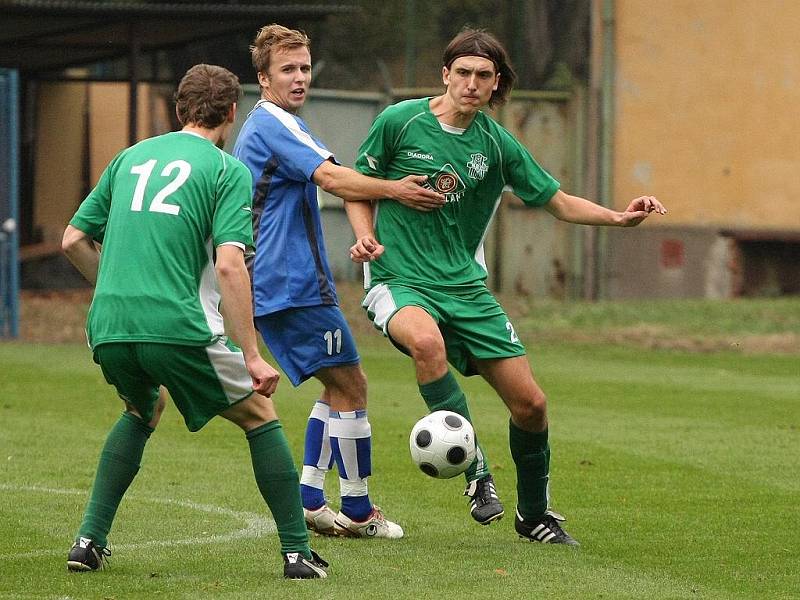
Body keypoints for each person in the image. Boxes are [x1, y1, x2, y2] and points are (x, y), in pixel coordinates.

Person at [347, 28, 666, 544]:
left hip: (467, 291)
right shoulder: (398, 121)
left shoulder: (496, 145)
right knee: (425, 342)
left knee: (532, 405)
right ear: (445, 75)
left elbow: (557, 201)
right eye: (464, 73)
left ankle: (534, 515)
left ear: (497, 85)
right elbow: (355, 185)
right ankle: (477, 475)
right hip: (398, 279)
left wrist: (617, 217)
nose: (472, 84)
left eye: (484, 76)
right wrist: (364, 238)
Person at [61, 64, 328, 579]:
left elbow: (73, 239)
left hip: (110, 324)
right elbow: (230, 264)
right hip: (175, 326)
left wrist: (114, 288)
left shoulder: (129, 157)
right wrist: (252, 355)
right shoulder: (227, 171)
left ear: (179, 108)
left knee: (142, 409)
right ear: (231, 112)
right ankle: (297, 551)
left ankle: (87, 542)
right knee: (260, 415)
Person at [232, 24, 444, 540]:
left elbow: (334, 176)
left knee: (336, 384)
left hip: (282, 282)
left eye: (304, 68)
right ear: (263, 78)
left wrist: (363, 234)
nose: (299, 78)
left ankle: (310, 499)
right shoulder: (272, 126)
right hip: (290, 283)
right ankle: (357, 509)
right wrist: (396, 189)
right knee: (353, 384)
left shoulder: (282, 125)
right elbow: (333, 178)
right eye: (288, 69)